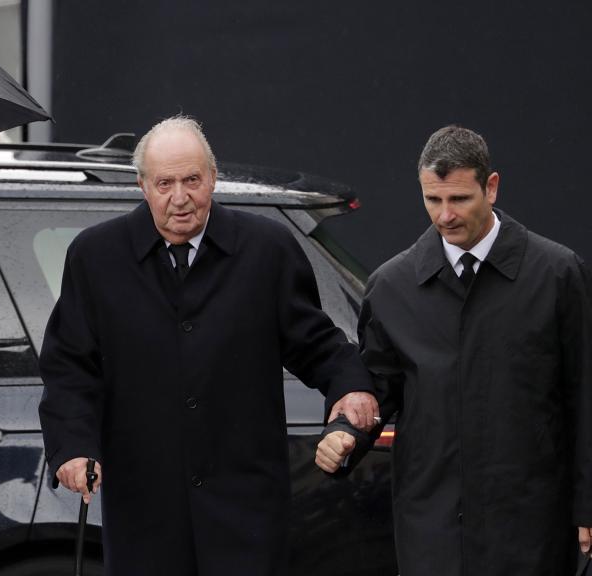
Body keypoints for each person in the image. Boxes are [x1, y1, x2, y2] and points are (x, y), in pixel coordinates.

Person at [38, 115, 379, 575]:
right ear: (142, 187)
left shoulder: (266, 250)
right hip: (145, 515)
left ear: (213, 178)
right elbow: (69, 367)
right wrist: (74, 446)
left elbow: (317, 344)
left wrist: (351, 389)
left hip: (246, 512)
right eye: (165, 184)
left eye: (192, 180)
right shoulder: (95, 257)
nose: (180, 198)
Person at [315, 125, 592, 575]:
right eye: (432, 199)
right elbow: (376, 390)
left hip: (531, 527)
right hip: (432, 528)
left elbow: (585, 394)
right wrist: (346, 431)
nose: (445, 216)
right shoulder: (392, 287)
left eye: (459, 199)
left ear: (492, 187)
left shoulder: (557, 274)